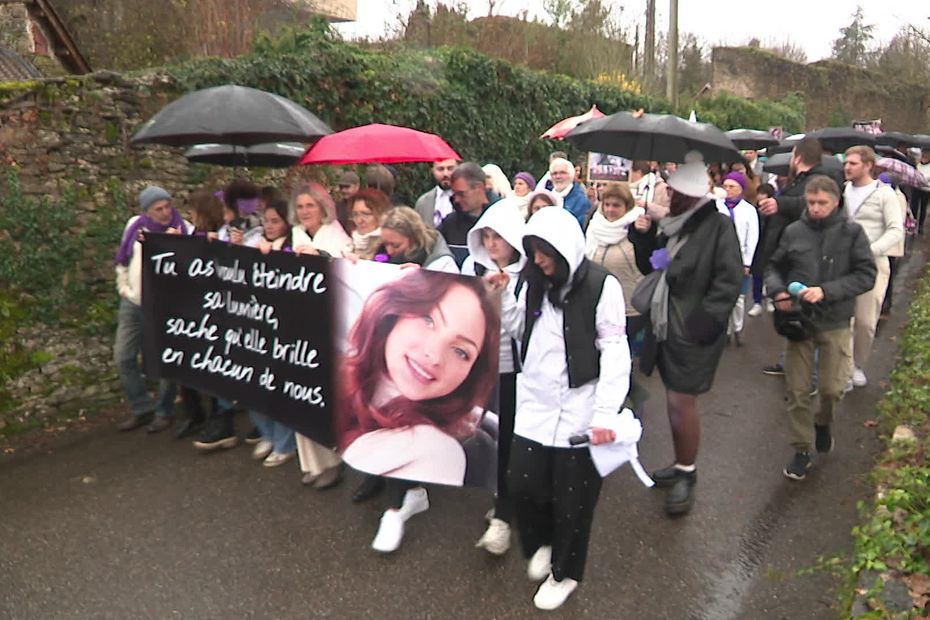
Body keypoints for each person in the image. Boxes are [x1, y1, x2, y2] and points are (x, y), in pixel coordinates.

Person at [488, 206, 631, 611]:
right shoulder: (533, 282)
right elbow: (522, 331)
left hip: (580, 408)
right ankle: (543, 543)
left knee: (573, 501)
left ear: (565, 249)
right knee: (522, 484)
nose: (538, 260)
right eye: (533, 251)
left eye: (544, 251)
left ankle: (564, 573)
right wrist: (504, 298)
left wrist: (605, 413)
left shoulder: (602, 286)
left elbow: (614, 351)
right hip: (534, 404)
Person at [338, 269, 500, 554]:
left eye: (461, 352)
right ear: (398, 307)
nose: (434, 356)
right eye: (429, 320)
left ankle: (395, 509)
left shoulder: (433, 445)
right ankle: (403, 494)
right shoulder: (351, 366)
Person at [629, 153, 743, 516]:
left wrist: (703, 325)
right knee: (673, 401)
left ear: (692, 195)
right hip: (666, 324)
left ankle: (687, 474)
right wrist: (642, 236)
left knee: (682, 402)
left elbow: (729, 280)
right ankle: (680, 464)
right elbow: (652, 266)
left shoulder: (718, 226)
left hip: (694, 329)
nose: (668, 197)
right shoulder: (673, 224)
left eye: (675, 193)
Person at [764, 176, 876, 480]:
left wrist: (827, 291)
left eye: (822, 203)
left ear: (835, 202)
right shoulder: (793, 231)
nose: (815, 208)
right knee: (797, 390)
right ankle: (801, 449)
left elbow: (866, 275)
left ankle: (823, 422)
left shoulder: (852, 233)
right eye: (811, 202)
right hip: (799, 322)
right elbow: (774, 267)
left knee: (832, 389)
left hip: (835, 320)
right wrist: (779, 292)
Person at [461, 202, 527, 556]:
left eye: (498, 236)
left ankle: (503, 516)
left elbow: (526, 330)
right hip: (478, 371)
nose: (491, 243)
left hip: (514, 373)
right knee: (482, 437)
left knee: (509, 442)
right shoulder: (472, 267)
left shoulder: (529, 276)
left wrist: (505, 295)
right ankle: (504, 498)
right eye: (485, 236)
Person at [755, 138, 844, 376]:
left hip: (807, 257)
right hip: (792, 254)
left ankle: (810, 375)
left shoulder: (818, 180)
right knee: (792, 312)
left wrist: (780, 204)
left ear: (798, 157)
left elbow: (811, 205)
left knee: (808, 313)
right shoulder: (800, 180)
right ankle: (788, 362)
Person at [113, 186, 192, 433]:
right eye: (159, 209)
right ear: (147, 211)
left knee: (165, 358)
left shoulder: (184, 229)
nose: (165, 212)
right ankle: (141, 407)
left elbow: (190, 269)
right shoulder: (135, 226)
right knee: (123, 356)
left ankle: (164, 410)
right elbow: (124, 259)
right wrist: (124, 287)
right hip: (134, 301)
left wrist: (176, 243)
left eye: (168, 206)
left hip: (164, 304)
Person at [843, 146, 903, 388]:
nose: (847, 167)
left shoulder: (884, 194)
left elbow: (895, 230)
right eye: (846, 162)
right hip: (845, 264)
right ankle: (845, 371)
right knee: (844, 319)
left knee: (865, 322)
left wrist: (872, 250)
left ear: (868, 165)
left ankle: (858, 364)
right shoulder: (843, 191)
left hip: (873, 264)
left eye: (853, 163)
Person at [248, 199, 299, 468]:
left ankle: (284, 442)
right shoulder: (253, 245)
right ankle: (267, 433)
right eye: (265, 221)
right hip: (256, 325)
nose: (268, 226)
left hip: (284, 328)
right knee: (250, 381)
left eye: (275, 221)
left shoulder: (292, 247)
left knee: (279, 386)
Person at [584, 182, 646, 349]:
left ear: (627, 207)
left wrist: (644, 235)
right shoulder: (594, 226)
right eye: (607, 204)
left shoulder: (638, 227)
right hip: (599, 306)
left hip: (631, 309)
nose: (610, 209)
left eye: (616, 205)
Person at [715, 171, 760, 345]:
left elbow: (752, 237)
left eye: (732, 187)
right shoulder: (717, 207)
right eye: (725, 186)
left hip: (740, 258)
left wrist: (747, 263)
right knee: (722, 295)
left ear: (741, 189)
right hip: (719, 258)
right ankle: (725, 330)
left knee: (739, 298)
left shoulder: (749, 210)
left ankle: (738, 328)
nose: (728, 190)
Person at [377, 207, 460, 273]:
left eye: (396, 245)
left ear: (415, 239)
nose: (389, 251)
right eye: (385, 244)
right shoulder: (381, 255)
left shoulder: (444, 264)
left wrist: (422, 276)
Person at [290, 182, 352, 258]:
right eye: (300, 207)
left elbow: (343, 260)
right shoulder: (296, 231)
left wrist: (318, 254)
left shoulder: (335, 232)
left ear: (323, 208)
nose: (304, 212)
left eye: (310, 206)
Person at [439, 162, 495, 246]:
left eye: (461, 194)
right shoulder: (450, 224)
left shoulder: (504, 217)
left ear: (479, 187)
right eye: (454, 194)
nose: (457, 200)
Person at [748, 184, 776, 318]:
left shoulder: (775, 212)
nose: (760, 197)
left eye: (763, 194)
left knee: (770, 275)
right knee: (757, 275)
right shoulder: (753, 211)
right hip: (757, 246)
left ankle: (771, 299)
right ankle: (757, 302)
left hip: (771, 246)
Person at [347, 188, 392, 260]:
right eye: (355, 214)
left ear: (382, 215)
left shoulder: (389, 246)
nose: (359, 220)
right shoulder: (348, 244)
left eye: (366, 214)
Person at [548, 157, 591, 229]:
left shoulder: (581, 200)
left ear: (571, 175)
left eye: (562, 173)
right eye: (554, 173)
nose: (558, 176)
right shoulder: (546, 197)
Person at [414, 158, 457, 228]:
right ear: (433, 171)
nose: (445, 174)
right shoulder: (423, 202)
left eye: (450, 169)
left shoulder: (468, 199)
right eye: (440, 169)